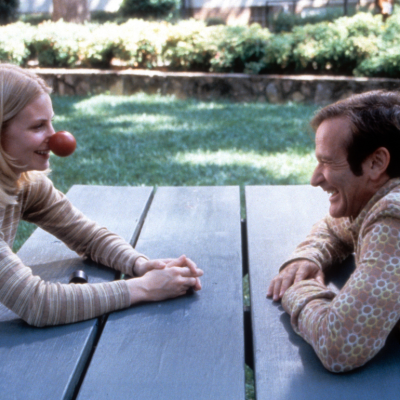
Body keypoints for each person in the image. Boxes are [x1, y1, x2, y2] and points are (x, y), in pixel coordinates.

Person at [0, 63, 203, 327]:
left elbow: (88, 236)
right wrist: (143, 289)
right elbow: (38, 303)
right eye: (38, 126)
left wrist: (140, 265)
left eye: (52, 122)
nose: (55, 137)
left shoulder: (23, 182)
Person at [267, 90, 400, 373]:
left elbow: (339, 346)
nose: (315, 179)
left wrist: (298, 289)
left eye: (327, 162)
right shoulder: (380, 196)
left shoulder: (394, 219)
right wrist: (307, 257)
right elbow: (335, 226)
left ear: (376, 163)